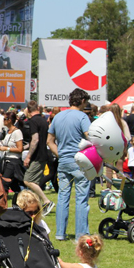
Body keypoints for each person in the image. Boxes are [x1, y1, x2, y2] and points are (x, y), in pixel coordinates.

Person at [47, 88, 91, 241]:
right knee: (81, 199)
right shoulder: (82, 117)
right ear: (83, 101)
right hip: (79, 161)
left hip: (63, 161)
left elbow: (49, 141)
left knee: (63, 197)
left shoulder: (57, 117)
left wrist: (61, 154)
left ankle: (60, 233)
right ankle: (81, 234)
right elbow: (89, 137)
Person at [23, 101, 53, 213]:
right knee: (35, 182)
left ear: (29, 110)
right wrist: (25, 146)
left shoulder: (33, 121)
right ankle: (37, 207)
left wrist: (28, 156)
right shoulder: (43, 120)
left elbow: (35, 139)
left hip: (37, 156)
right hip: (44, 153)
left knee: (27, 180)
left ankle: (46, 201)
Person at [0, 111, 25, 194]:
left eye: (4, 119)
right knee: (13, 184)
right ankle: (21, 199)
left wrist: (6, 149)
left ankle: (3, 203)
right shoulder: (8, 131)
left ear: (9, 120)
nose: (3, 121)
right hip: (6, 160)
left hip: (13, 161)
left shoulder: (17, 132)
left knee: (4, 183)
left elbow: (20, 149)